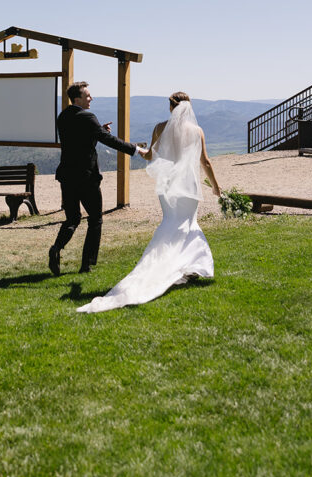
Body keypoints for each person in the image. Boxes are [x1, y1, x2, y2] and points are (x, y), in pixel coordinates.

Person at [77, 90, 220, 313]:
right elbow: (206, 162)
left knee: (172, 222)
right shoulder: (197, 130)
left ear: (171, 107)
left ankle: (186, 266)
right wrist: (216, 186)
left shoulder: (160, 128)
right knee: (187, 224)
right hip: (188, 186)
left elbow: (151, 156)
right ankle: (189, 265)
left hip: (167, 186)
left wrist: (138, 149)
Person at [48, 81, 149, 276]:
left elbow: (77, 141)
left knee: (73, 218)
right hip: (86, 177)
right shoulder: (87, 116)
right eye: (87, 96)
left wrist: (96, 131)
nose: (91, 98)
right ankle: (86, 265)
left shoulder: (64, 116)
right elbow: (108, 140)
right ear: (78, 98)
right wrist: (136, 149)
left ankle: (56, 248)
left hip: (67, 175)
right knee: (95, 220)